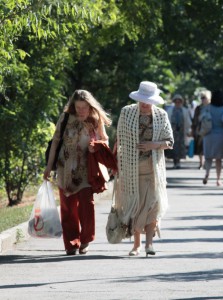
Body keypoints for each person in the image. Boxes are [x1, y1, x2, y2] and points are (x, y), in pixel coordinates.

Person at [43, 89, 112, 255]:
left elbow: (105, 139)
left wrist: (96, 146)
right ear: (73, 106)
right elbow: (55, 143)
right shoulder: (65, 118)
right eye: (78, 107)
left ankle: (86, 239)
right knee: (68, 207)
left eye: (84, 107)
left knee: (86, 205)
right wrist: (48, 167)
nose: (81, 111)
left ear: (90, 106)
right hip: (65, 168)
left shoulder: (95, 119)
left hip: (86, 168)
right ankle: (71, 243)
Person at [115, 81, 173, 256]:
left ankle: (149, 244)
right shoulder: (127, 113)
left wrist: (153, 145)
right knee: (136, 207)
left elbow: (169, 142)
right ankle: (136, 245)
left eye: (148, 100)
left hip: (153, 170)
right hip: (132, 169)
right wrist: (115, 165)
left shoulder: (161, 115)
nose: (145, 104)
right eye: (142, 100)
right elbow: (120, 140)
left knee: (152, 206)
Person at [202, 90, 223, 186]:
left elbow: (202, 119)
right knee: (218, 159)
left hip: (208, 135)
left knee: (208, 157)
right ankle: (218, 179)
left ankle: (207, 174)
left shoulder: (208, 108)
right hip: (220, 135)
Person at [166, 94, 192, 169]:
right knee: (173, 147)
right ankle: (175, 162)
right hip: (172, 131)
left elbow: (188, 121)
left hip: (181, 132)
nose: (177, 103)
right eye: (176, 101)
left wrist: (188, 130)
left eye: (179, 101)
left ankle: (178, 162)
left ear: (181, 102)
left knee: (180, 147)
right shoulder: (170, 110)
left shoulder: (185, 110)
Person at [191, 90, 211, 169]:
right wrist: (193, 130)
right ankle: (201, 163)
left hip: (209, 130)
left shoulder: (211, 107)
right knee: (200, 147)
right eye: (201, 98)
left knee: (208, 147)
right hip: (200, 130)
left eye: (204, 97)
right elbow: (194, 120)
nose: (202, 99)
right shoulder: (198, 108)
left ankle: (206, 162)